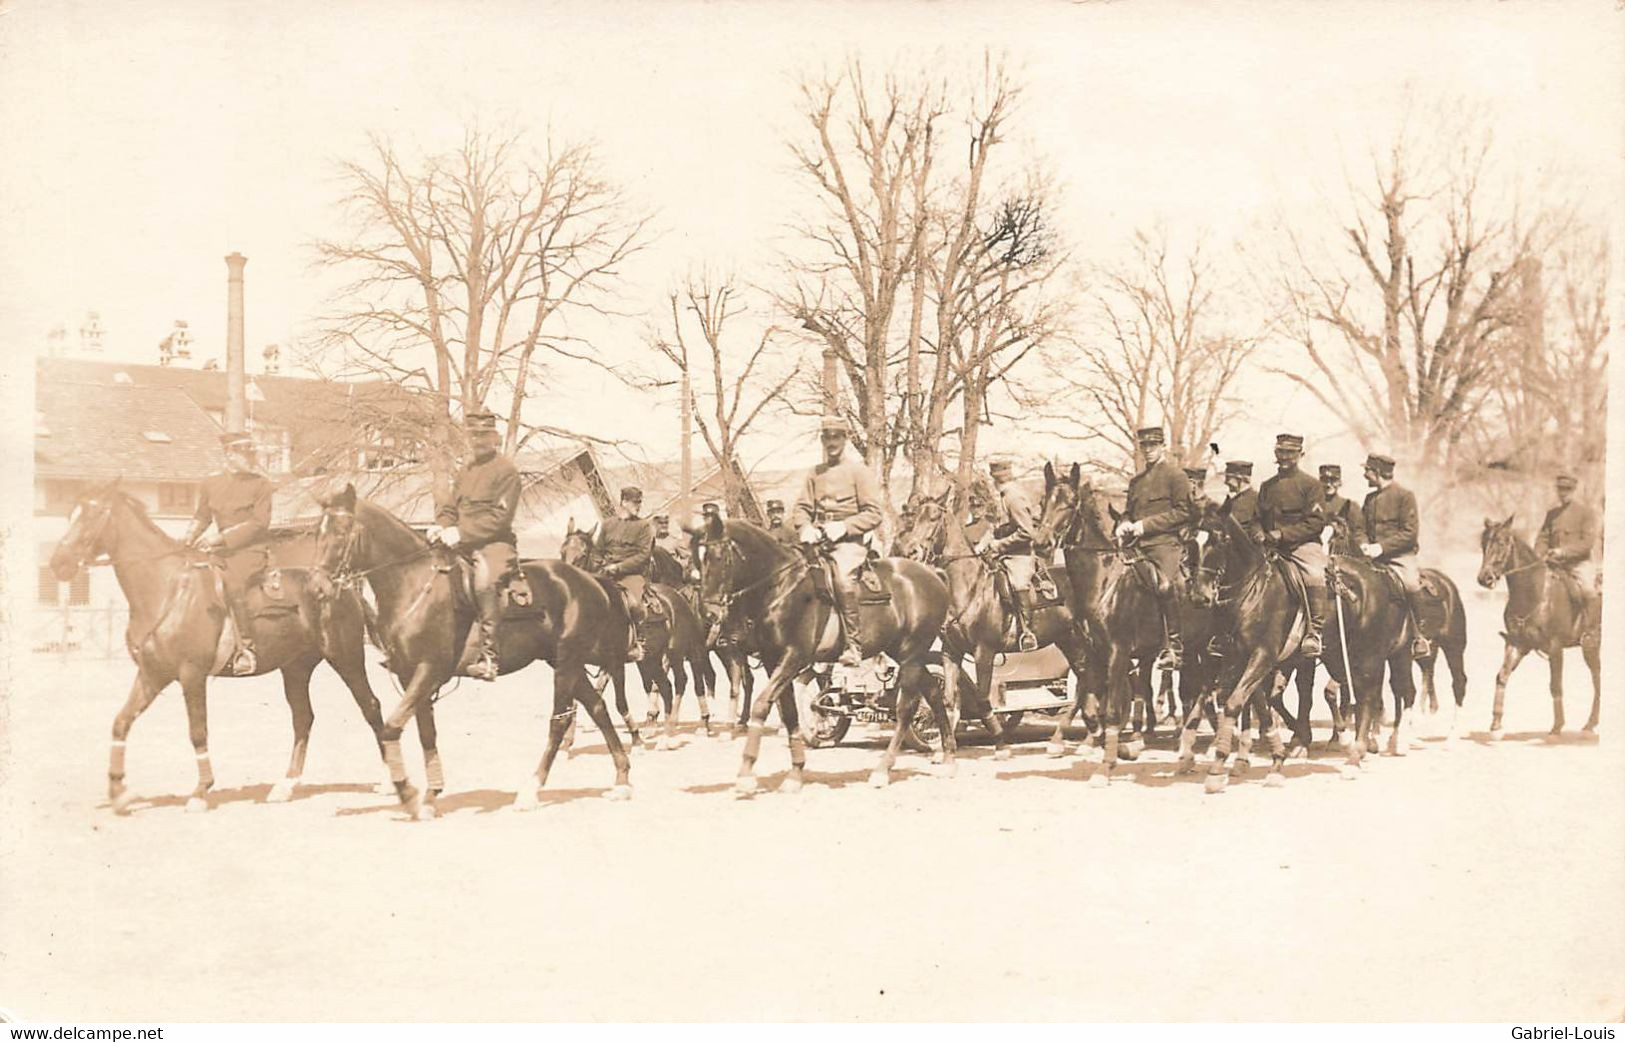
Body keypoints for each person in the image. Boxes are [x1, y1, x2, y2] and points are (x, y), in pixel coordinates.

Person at [430, 410, 520, 681]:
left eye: (484, 435)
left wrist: (461, 533)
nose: (478, 441)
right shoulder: (465, 471)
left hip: (494, 545)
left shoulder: (506, 471)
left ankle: (489, 656)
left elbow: (500, 518)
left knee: (484, 582)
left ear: (495, 438)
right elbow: (449, 507)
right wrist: (442, 526)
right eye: (473, 436)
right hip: (461, 543)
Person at [792, 413, 884, 666]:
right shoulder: (815, 473)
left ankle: (854, 644)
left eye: (836, 437)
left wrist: (844, 527)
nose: (831, 442)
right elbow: (801, 508)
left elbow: (874, 513)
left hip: (848, 543)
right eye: (826, 437)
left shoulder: (859, 472)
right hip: (818, 541)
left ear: (846, 438)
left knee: (843, 582)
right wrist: (804, 527)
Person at [184, 430, 274, 675]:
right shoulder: (210, 483)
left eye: (251, 452)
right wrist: (188, 539)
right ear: (229, 454)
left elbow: (259, 523)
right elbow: (202, 515)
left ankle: (246, 648)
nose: (251, 457)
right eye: (245, 453)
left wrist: (220, 538)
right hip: (219, 551)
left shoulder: (262, 484)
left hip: (250, 551)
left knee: (233, 584)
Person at [1116, 426, 1195, 670]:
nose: (1148, 450)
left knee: (1164, 586)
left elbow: (1184, 511)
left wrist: (1146, 526)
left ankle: (1173, 646)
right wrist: (1124, 523)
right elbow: (1129, 511)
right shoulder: (1136, 481)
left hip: (1164, 545)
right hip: (1137, 546)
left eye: (1153, 445)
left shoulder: (1176, 476)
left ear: (1163, 446)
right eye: (1145, 446)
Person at [1258, 433, 1329, 658]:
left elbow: (1315, 523)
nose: (1285, 457)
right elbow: (1256, 519)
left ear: (1300, 455)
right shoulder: (1267, 486)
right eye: (1281, 452)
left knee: (1315, 575)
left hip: (1302, 546)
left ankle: (1314, 633)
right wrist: (1258, 534)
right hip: (1270, 547)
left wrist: (1283, 535)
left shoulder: (1311, 485)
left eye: (1290, 453)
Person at [1358, 453, 1430, 658]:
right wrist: (1363, 544)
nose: (1365, 475)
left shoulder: (1404, 496)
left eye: (1367, 471)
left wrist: (1381, 547)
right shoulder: (1369, 499)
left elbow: (1409, 533)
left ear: (1378, 473)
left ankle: (1420, 636)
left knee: (1411, 584)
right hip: (1371, 556)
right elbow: (1361, 527)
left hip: (1399, 556)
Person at [980, 457, 1052, 651]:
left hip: (1019, 556)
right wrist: (983, 544)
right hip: (1001, 555)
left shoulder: (1014, 498)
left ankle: (1027, 632)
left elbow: (1027, 532)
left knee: (1018, 583)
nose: (995, 481)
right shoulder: (1002, 498)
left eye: (997, 478)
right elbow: (997, 527)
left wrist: (999, 545)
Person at [590, 486, 656, 661]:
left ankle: (638, 642)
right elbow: (597, 550)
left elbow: (643, 555)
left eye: (639, 503)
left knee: (635, 605)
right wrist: (599, 565)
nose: (638, 506)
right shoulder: (608, 524)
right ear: (624, 502)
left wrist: (619, 567)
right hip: (605, 573)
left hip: (631, 575)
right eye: (635, 503)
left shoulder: (644, 526)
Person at [1536, 472, 1600, 649]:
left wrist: (1563, 552)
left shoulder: (1585, 513)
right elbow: (1542, 537)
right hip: (1554, 564)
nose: (1563, 493)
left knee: (1588, 591)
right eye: (1560, 489)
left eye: (1567, 489)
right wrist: (1539, 554)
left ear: (1574, 490)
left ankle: (1590, 632)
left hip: (1578, 564)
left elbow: (1587, 543)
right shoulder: (1552, 514)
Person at [1318, 464, 1361, 555]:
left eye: (1333, 480)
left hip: (1342, 554)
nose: (1328, 484)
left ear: (1340, 482)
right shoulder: (1313, 505)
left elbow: (1358, 533)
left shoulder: (1349, 506)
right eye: (1325, 480)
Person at [1223, 460, 1261, 542]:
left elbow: (1260, 527)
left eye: (1228, 478)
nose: (1225, 482)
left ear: (1240, 479)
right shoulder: (1230, 500)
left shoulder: (1257, 499)